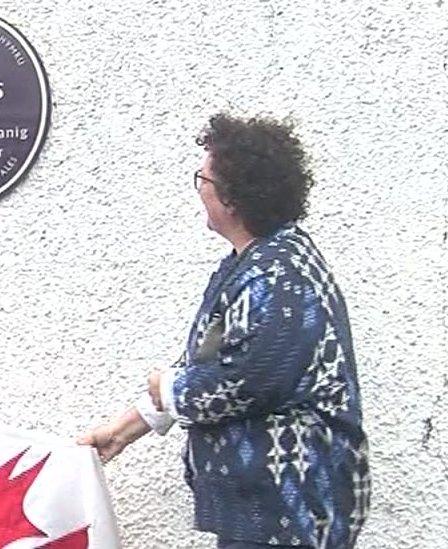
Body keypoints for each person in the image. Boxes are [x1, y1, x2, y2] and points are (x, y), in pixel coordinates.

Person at [79, 114, 370, 548]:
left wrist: (169, 385)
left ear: (231, 198)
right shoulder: (250, 264)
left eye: (203, 179)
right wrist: (122, 431)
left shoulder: (279, 273)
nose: (199, 190)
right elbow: (209, 361)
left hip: (293, 511)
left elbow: (250, 379)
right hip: (269, 513)